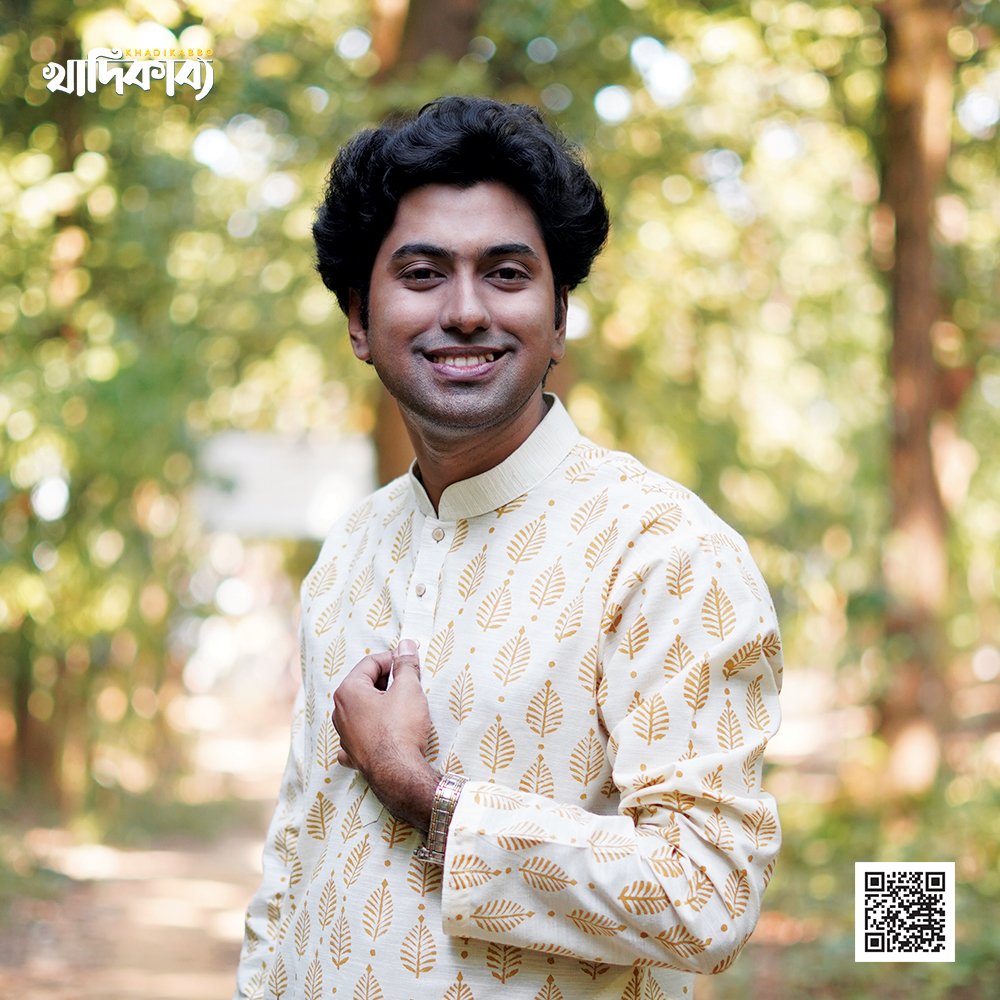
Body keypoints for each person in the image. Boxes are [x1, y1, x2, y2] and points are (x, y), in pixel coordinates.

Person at [234, 95, 782, 1000]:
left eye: (506, 273)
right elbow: (297, 853)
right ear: (359, 320)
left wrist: (424, 794)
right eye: (421, 274)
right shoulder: (350, 550)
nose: (464, 311)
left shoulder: (664, 552)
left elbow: (708, 894)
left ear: (558, 317)